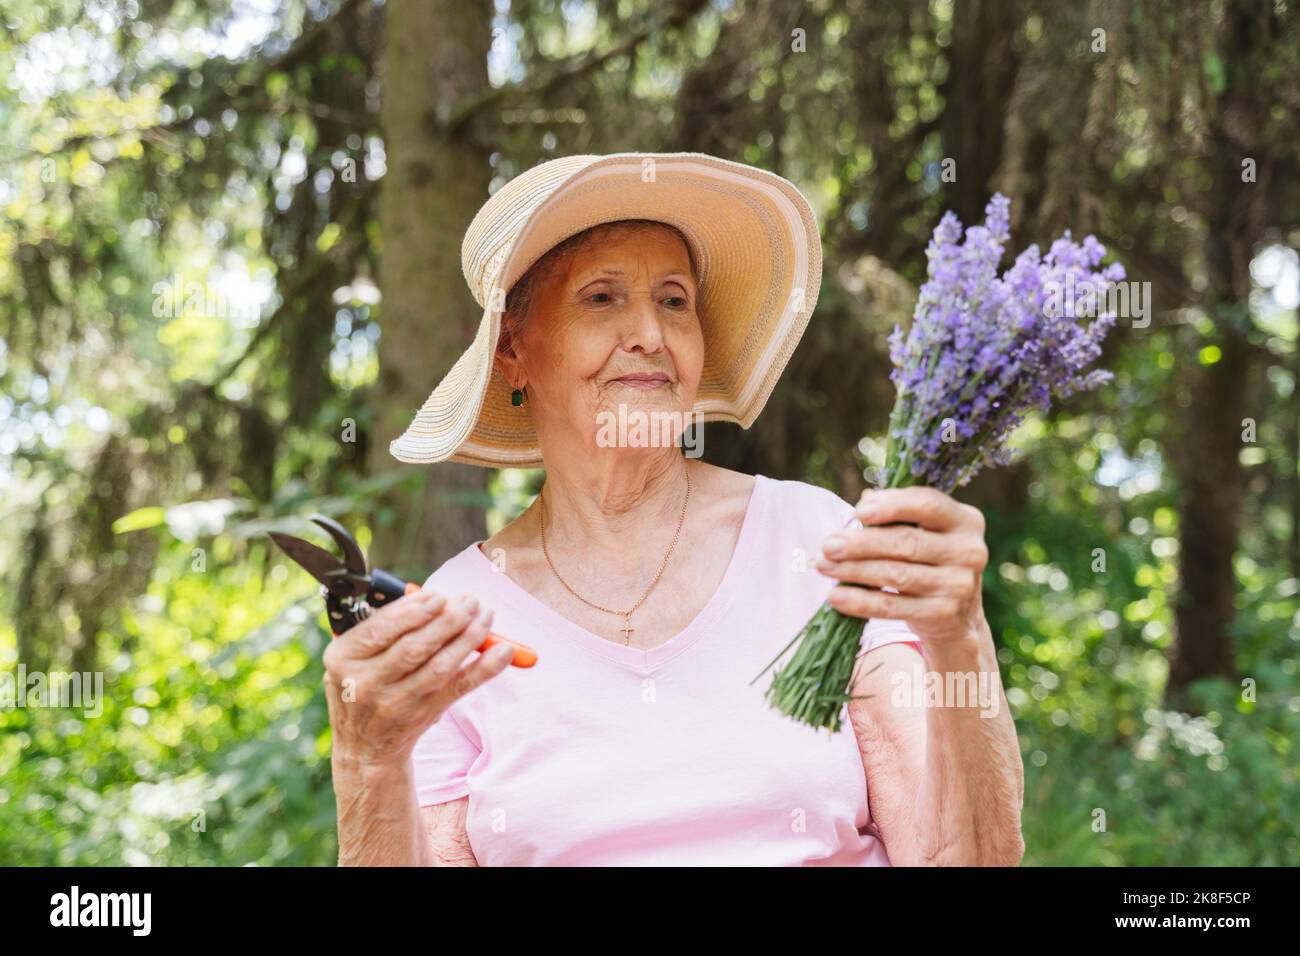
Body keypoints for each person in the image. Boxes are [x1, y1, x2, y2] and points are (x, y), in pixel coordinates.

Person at [323, 153, 1024, 866]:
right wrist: (367, 764)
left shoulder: (819, 543)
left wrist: (961, 637)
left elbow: (960, 859)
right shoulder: (457, 617)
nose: (651, 336)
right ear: (512, 349)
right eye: (602, 298)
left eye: (674, 300)